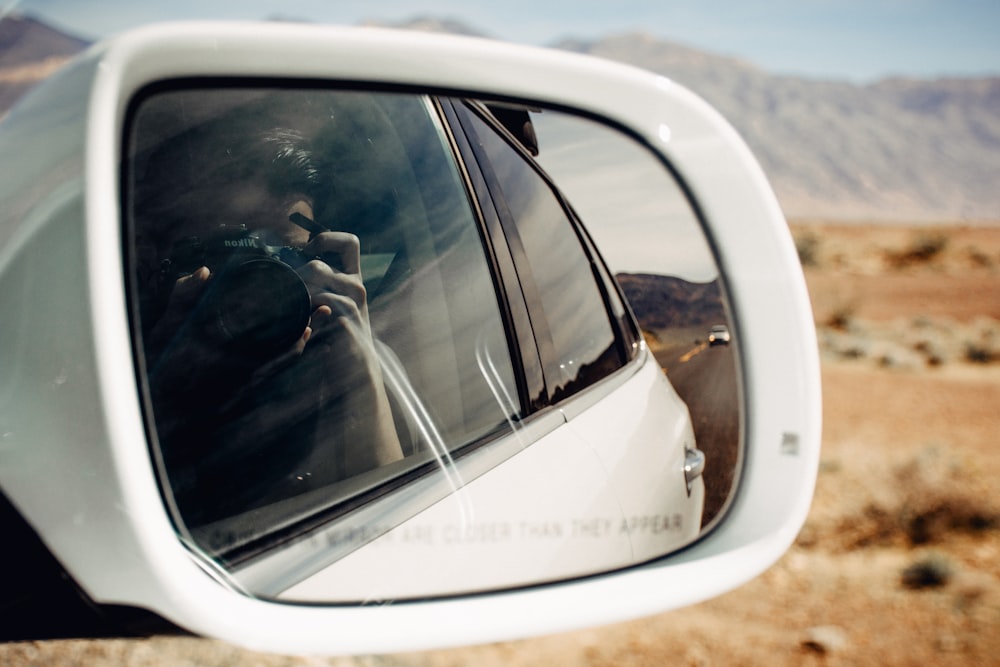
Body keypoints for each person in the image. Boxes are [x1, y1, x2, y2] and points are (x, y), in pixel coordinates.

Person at [129, 89, 404, 526]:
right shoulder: (125, 361)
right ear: (163, 266)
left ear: (318, 263)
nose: (254, 285)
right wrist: (161, 381)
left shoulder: (333, 357)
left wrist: (358, 363)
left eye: (280, 258)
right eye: (224, 256)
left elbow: (396, 523)